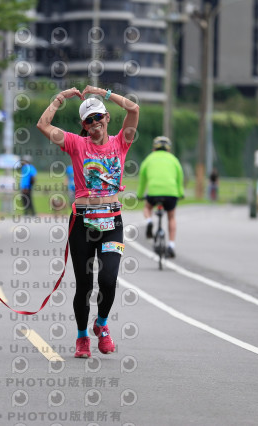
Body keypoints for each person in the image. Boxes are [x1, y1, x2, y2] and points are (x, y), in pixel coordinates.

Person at [36, 85, 139, 358]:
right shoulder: (76, 144)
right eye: (88, 120)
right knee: (84, 285)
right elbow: (43, 124)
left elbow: (133, 108)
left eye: (98, 118)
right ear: (84, 125)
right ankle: (82, 338)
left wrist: (102, 92)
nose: (94, 124)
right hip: (81, 224)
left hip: (112, 223)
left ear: (107, 118)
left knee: (108, 280)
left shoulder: (121, 143)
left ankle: (101, 325)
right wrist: (60, 98)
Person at [137, 136, 184, 258]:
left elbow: (142, 177)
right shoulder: (174, 159)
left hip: (154, 192)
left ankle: (149, 221)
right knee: (171, 217)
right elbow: (180, 177)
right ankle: (171, 246)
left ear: (154, 148)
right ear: (168, 149)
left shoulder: (149, 159)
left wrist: (140, 195)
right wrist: (180, 193)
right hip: (171, 192)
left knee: (147, 208)